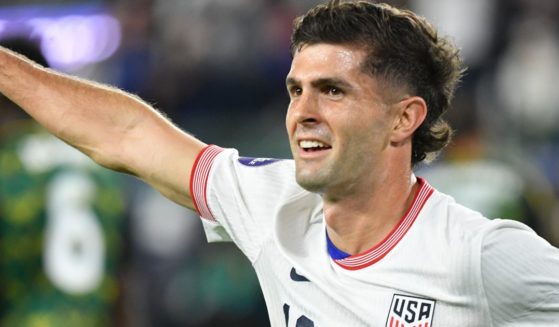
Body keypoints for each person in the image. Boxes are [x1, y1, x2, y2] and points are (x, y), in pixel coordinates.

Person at [1, 1, 558, 325]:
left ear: (403, 118)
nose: (302, 113)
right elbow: (128, 134)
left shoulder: (480, 255)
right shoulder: (270, 202)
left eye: (333, 92)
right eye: (296, 90)